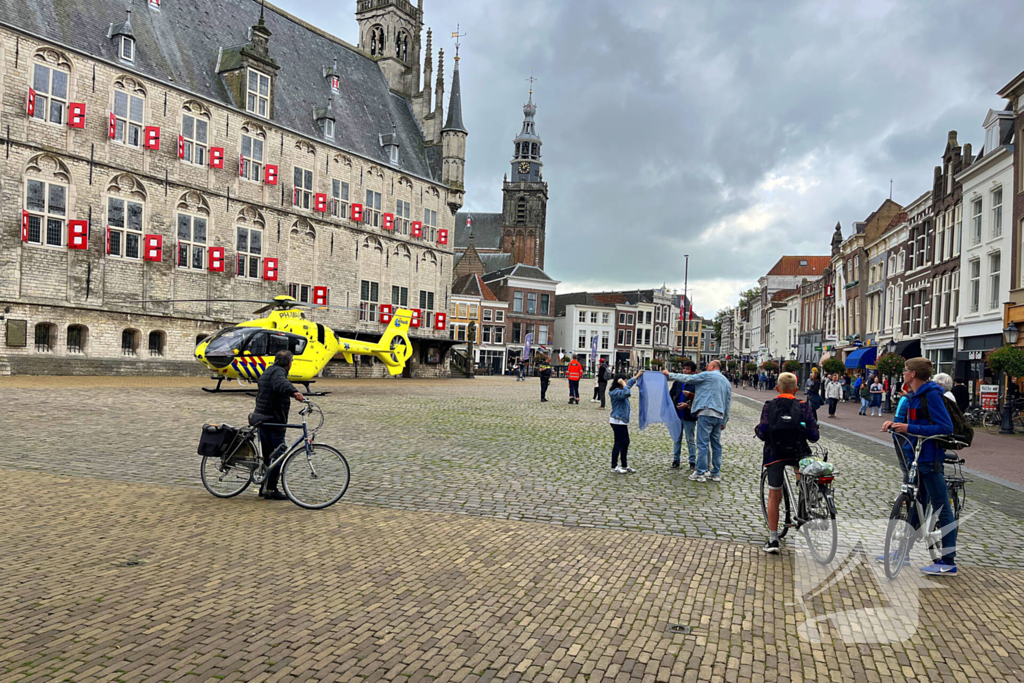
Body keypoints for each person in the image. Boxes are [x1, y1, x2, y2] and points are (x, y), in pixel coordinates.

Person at [882, 357, 958, 575]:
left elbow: (945, 427)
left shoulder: (932, 395)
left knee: (942, 507)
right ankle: (902, 553)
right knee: (916, 505)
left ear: (913, 374)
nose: (903, 374)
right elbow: (915, 425)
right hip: (916, 458)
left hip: (930, 458)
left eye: (905, 370)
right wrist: (896, 426)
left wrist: (909, 427)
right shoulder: (915, 396)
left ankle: (948, 561)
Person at [755, 372, 819, 554]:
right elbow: (814, 436)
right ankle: (805, 495)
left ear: (777, 389)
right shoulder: (804, 407)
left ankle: (773, 539)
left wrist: (758, 430)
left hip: (775, 453)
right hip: (798, 451)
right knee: (802, 467)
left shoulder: (769, 406)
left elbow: (763, 431)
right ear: (796, 390)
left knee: (774, 495)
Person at [664, 360, 731, 483]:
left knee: (702, 443)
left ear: (713, 366)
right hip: (719, 415)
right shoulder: (726, 381)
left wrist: (670, 374)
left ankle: (700, 472)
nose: (706, 367)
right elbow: (728, 402)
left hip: (706, 413)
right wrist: (724, 420)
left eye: (708, 365)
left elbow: (688, 378)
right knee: (716, 445)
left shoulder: (708, 375)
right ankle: (715, 473)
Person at [252, 350, 305, 500]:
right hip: (273, 420)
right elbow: (281, 383)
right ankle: (270, 489)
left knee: (269, 456)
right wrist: (295, 393)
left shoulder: (269, 370)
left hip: (263, 417)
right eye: (291, 361)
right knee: (279, 455)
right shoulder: (278, 373)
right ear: (289, 363)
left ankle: (264, 486)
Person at [608, 370, 643, 474]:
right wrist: (623, 384)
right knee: (618, 443)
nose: (626, 383)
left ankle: (624, 465)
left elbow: (629, 384)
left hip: (622, 421)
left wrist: (637, 376)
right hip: (617, 421)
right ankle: (614, 466)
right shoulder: (615, 392)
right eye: (625, 382)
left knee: (625, 442)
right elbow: (627, 393)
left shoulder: (621, 388)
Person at [669, 360, 699, 470]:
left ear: (692, 371)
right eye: (684, 369)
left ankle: (692, 461)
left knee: (690, 439)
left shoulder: (695, 383)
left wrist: (687, 404)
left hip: (689, 415)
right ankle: (676, 460)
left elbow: (698, 398)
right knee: (677, 439)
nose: (685, 371)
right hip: (677, 415)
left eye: (687, 369)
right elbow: (670, 394)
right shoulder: (677, 382)